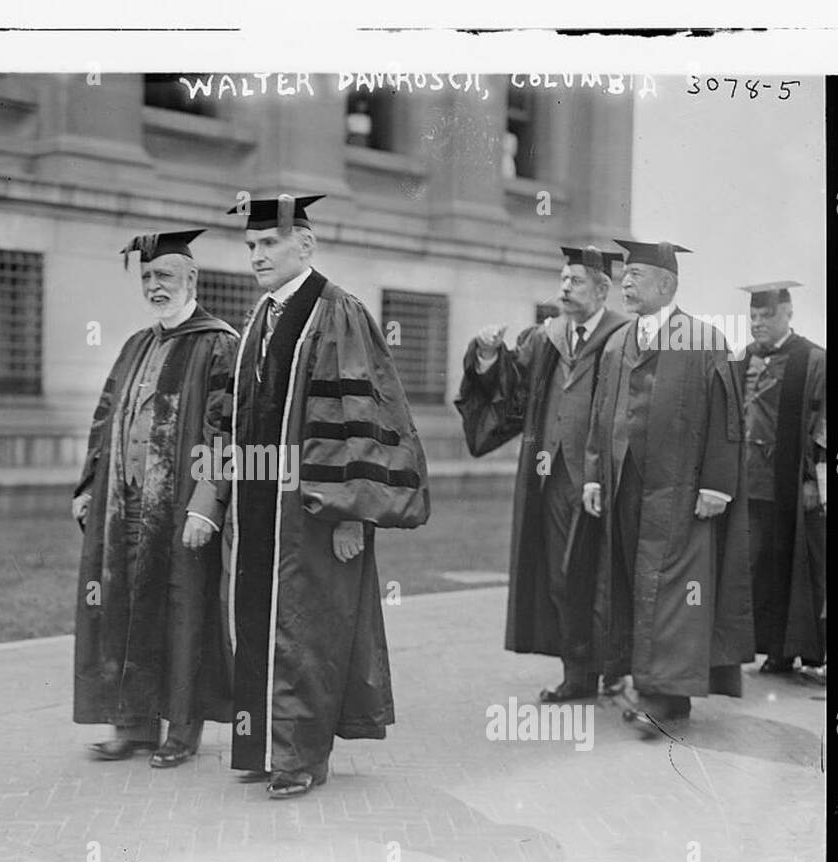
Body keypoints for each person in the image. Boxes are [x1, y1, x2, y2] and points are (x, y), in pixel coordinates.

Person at [224, 194, 430, 798]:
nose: (257, 255)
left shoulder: (337, 312)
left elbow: (361, 414)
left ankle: (301, 759)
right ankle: (266, 744)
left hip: (318, 511)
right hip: (264, 505)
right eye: (251, 246)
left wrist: (352, 515)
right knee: (263, 621)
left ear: (305, 245)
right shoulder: (260, 316)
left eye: (269, 244)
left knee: (309, 628)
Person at [72, 229, 240, 767]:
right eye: (147, 277)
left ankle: (183, 727)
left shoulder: (218, 344)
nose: (154, 285)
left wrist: (207, 503)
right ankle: (133, 723)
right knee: (121, 604)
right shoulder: (137, 344)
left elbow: (228, 431)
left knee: (184, 608)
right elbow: (105, 421)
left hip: (180, 508)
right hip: (124, 505)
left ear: (191, 278)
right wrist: (87, 488)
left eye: (164, 275)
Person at [582, 240, 754, 731]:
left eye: (636, 275)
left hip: (680, 490)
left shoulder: (705, 340)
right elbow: (600, 416)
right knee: (633, 584)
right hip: (623, 485)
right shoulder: (617, 342)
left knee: (677, 590)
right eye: (625, 276)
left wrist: (717, 485)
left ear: (667, 285)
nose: (626, 283)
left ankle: (667, 695)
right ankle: (648, 684)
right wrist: (594, 474)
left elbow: (726, 419)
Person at [455, 245, 630, 703]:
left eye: (574, 280)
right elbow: (511, 391)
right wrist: (489, 356)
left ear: (602, 289)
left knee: (607, 578)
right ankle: (577, 674)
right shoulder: (547, 336)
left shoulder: (624, 336)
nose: (564, 287)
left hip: (606, 481)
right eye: (562, 279)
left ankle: (614, 665)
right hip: (552, 478)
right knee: (561, 576)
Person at [739, 282, 827, 678]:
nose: (758, 323)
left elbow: (825, 423)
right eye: (754, 316)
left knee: (790, 567)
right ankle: (758, 645)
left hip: (790, 481)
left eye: (767, 316)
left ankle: (784, 650)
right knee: (752, 565)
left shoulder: (813, 360)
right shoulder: (744, 358)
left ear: (788, 313)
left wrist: (812, 479)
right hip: (748, 481)